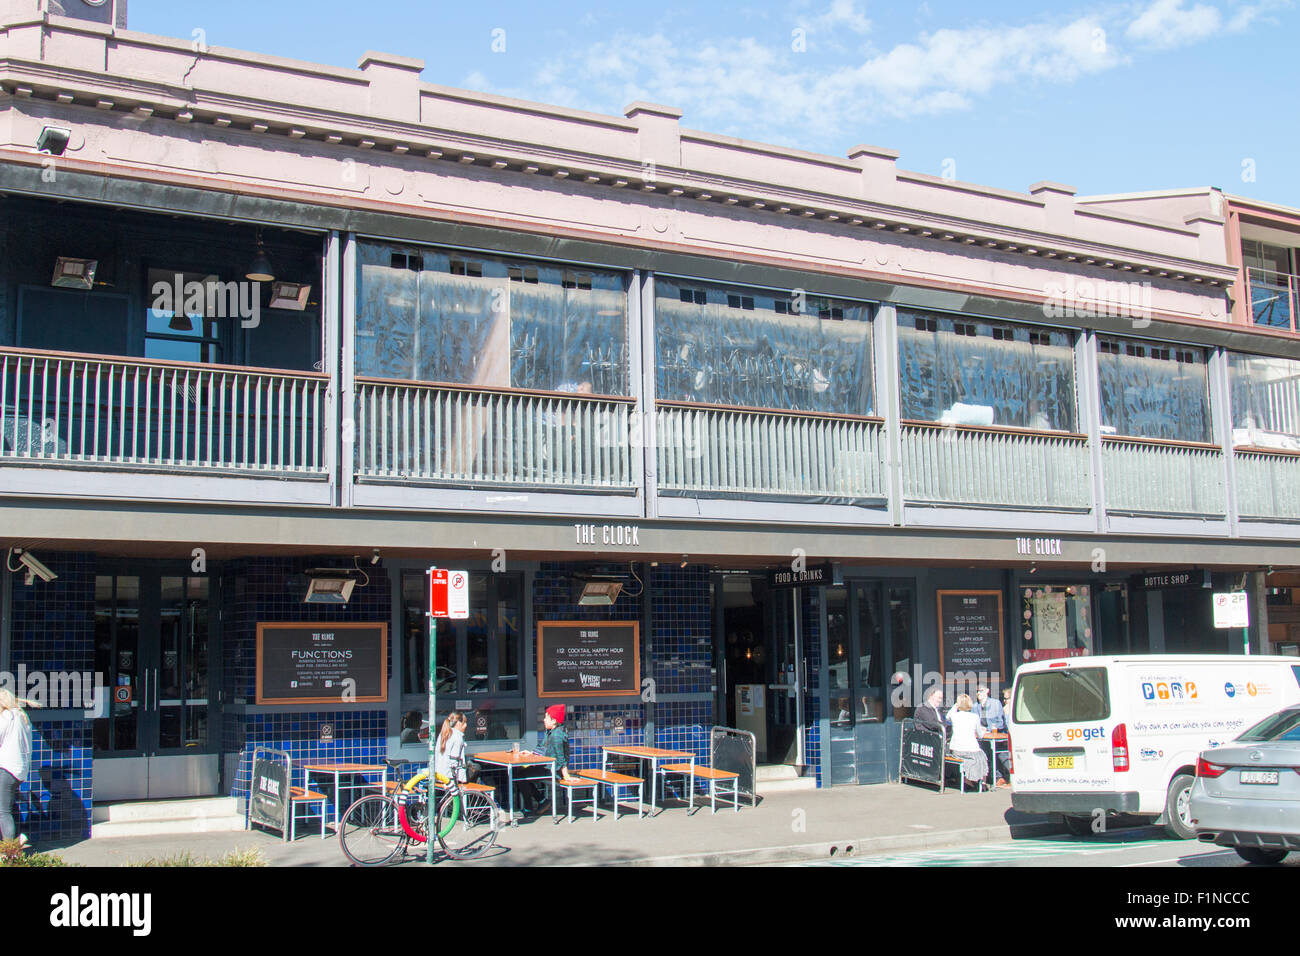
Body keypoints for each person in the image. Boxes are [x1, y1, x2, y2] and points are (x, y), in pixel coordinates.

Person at [520, 704, 574, 814]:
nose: (543, 720)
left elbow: (561, 756)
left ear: (554, 721)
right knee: (520, 773)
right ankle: (541, 801)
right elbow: (542, 747)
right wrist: (530, 753)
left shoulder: (557, 735)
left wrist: (566, 775)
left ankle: (530, 807)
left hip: (554, 770)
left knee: (521, 776)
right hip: (548, 767)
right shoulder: (550, 732)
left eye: (546, 718)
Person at [0, 689, 34, 845]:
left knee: (3, 812)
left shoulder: (7, 716)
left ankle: (10, 851)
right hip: (18, 770)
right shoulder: (22, 716)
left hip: (6, 767)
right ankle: (14, 842)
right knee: (6, 809)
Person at [947, 694, 990, 787]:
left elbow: (948, 716)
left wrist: (956, 705)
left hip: (957, 750)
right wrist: (984, 730)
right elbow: (980, 735)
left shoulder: (954, 716)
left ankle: (968, 780)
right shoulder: (974, 717)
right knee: (983, 758)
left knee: (975, 758)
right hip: (971, 749)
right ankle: (983, 783)